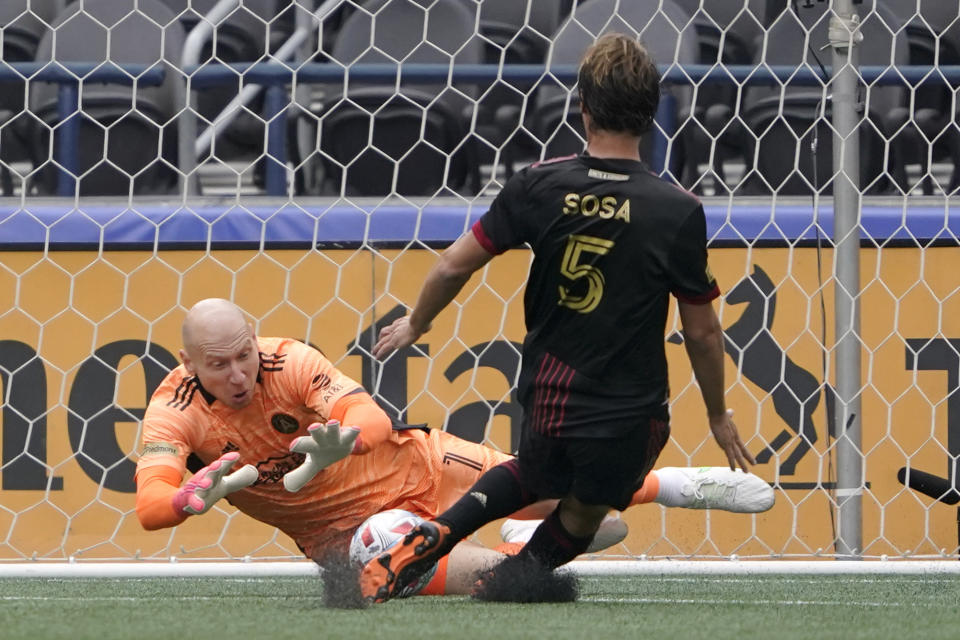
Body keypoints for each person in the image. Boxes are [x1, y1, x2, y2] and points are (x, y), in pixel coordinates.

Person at [361, 33, 756, 603]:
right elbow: (702, 330)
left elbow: (451, 266)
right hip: (629, 410)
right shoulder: (678, 210)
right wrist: (718, 413)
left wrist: (417, 323)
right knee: (590, 506)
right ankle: (505, 580)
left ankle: (438, 532)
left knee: (530, 475)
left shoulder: (538, 185)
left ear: (583, 107)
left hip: (550, 393)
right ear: (652, 113)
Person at [136, 298, 771, 598]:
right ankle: (513, 554)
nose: (240, 374)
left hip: (420, 467)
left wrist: (341, 444)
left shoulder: (289, 361)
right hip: (342, 535)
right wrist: (187, 500)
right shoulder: (175, 409)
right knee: (394, 557)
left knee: (564, 485)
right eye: (219, 365)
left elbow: (371, 419)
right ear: (189, 362)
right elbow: (151, 503)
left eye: (244, 354)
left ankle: (680, 486)